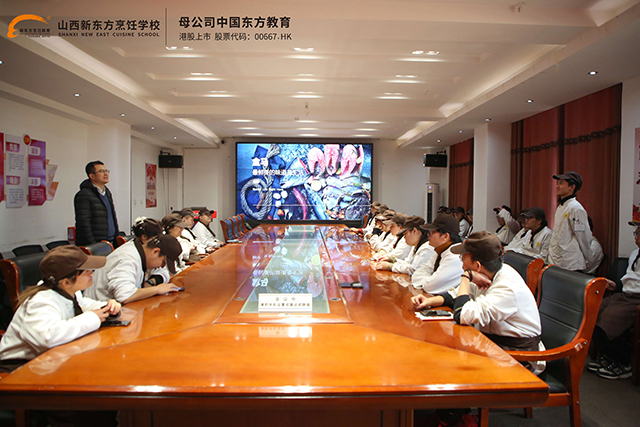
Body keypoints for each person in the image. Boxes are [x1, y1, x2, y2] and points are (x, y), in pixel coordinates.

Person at [411, 231, 543, 372]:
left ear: (478, 266)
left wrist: (466, 276)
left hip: (518, 357)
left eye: (463, 258)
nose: (462, 264)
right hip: (493, 345)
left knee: (448, 367)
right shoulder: (489, 274)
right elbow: (457, 295)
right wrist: (429, 301)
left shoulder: (507, 287)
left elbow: (462, 314)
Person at [0, 246, 120, 371]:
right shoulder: (41, 301)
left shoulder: (69, 291)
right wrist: (93, 318)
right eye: (87, 272)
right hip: (18, 367)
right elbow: (48, 337)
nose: (92, 274)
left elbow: (83, 305)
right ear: (66, 282)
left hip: (49, 361)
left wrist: (107, 307)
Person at [588, 221, 640, 379]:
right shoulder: (635, 254)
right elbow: (631, 279)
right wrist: (616, 285)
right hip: (624, 295)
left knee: (611, 318)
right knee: (593, 309)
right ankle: (606, 356)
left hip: (636, 299)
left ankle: (622, 362)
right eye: (636, 233)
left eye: (639, 234)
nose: (636, 237)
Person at [84, 234, 183, 304]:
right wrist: (157, 289)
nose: (162, 266)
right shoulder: (127, 258)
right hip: (100, 311)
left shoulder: (143, 252)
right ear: (155, 251)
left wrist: (151, 283)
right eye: (163, 262)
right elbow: (125, 295)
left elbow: (162, 272)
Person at [549, 171, 597, 272]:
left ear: (572, 187)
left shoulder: (576, 208)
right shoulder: (560, 207)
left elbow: (584, 237)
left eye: (561, 183)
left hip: (571, 263)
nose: (557, 186)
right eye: (557, 183)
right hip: (557, 261)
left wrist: (589, 259)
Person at [411, 213, 464, 294]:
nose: (428, 234)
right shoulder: (440, 251)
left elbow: (431, 287)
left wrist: (425, 281)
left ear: (445, 236)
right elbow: (417, 274)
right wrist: (427, 280)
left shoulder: (454, 256)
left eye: (432, 232)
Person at [74, 161, 120, 246]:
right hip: (95, 245)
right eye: (101, 171)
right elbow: (84, 224)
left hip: (110, 242)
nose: (106, 174)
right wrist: (94, 245)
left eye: (106, 171)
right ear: (92, 176)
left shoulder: (107, 193)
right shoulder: (84, 195)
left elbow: (112, 218)